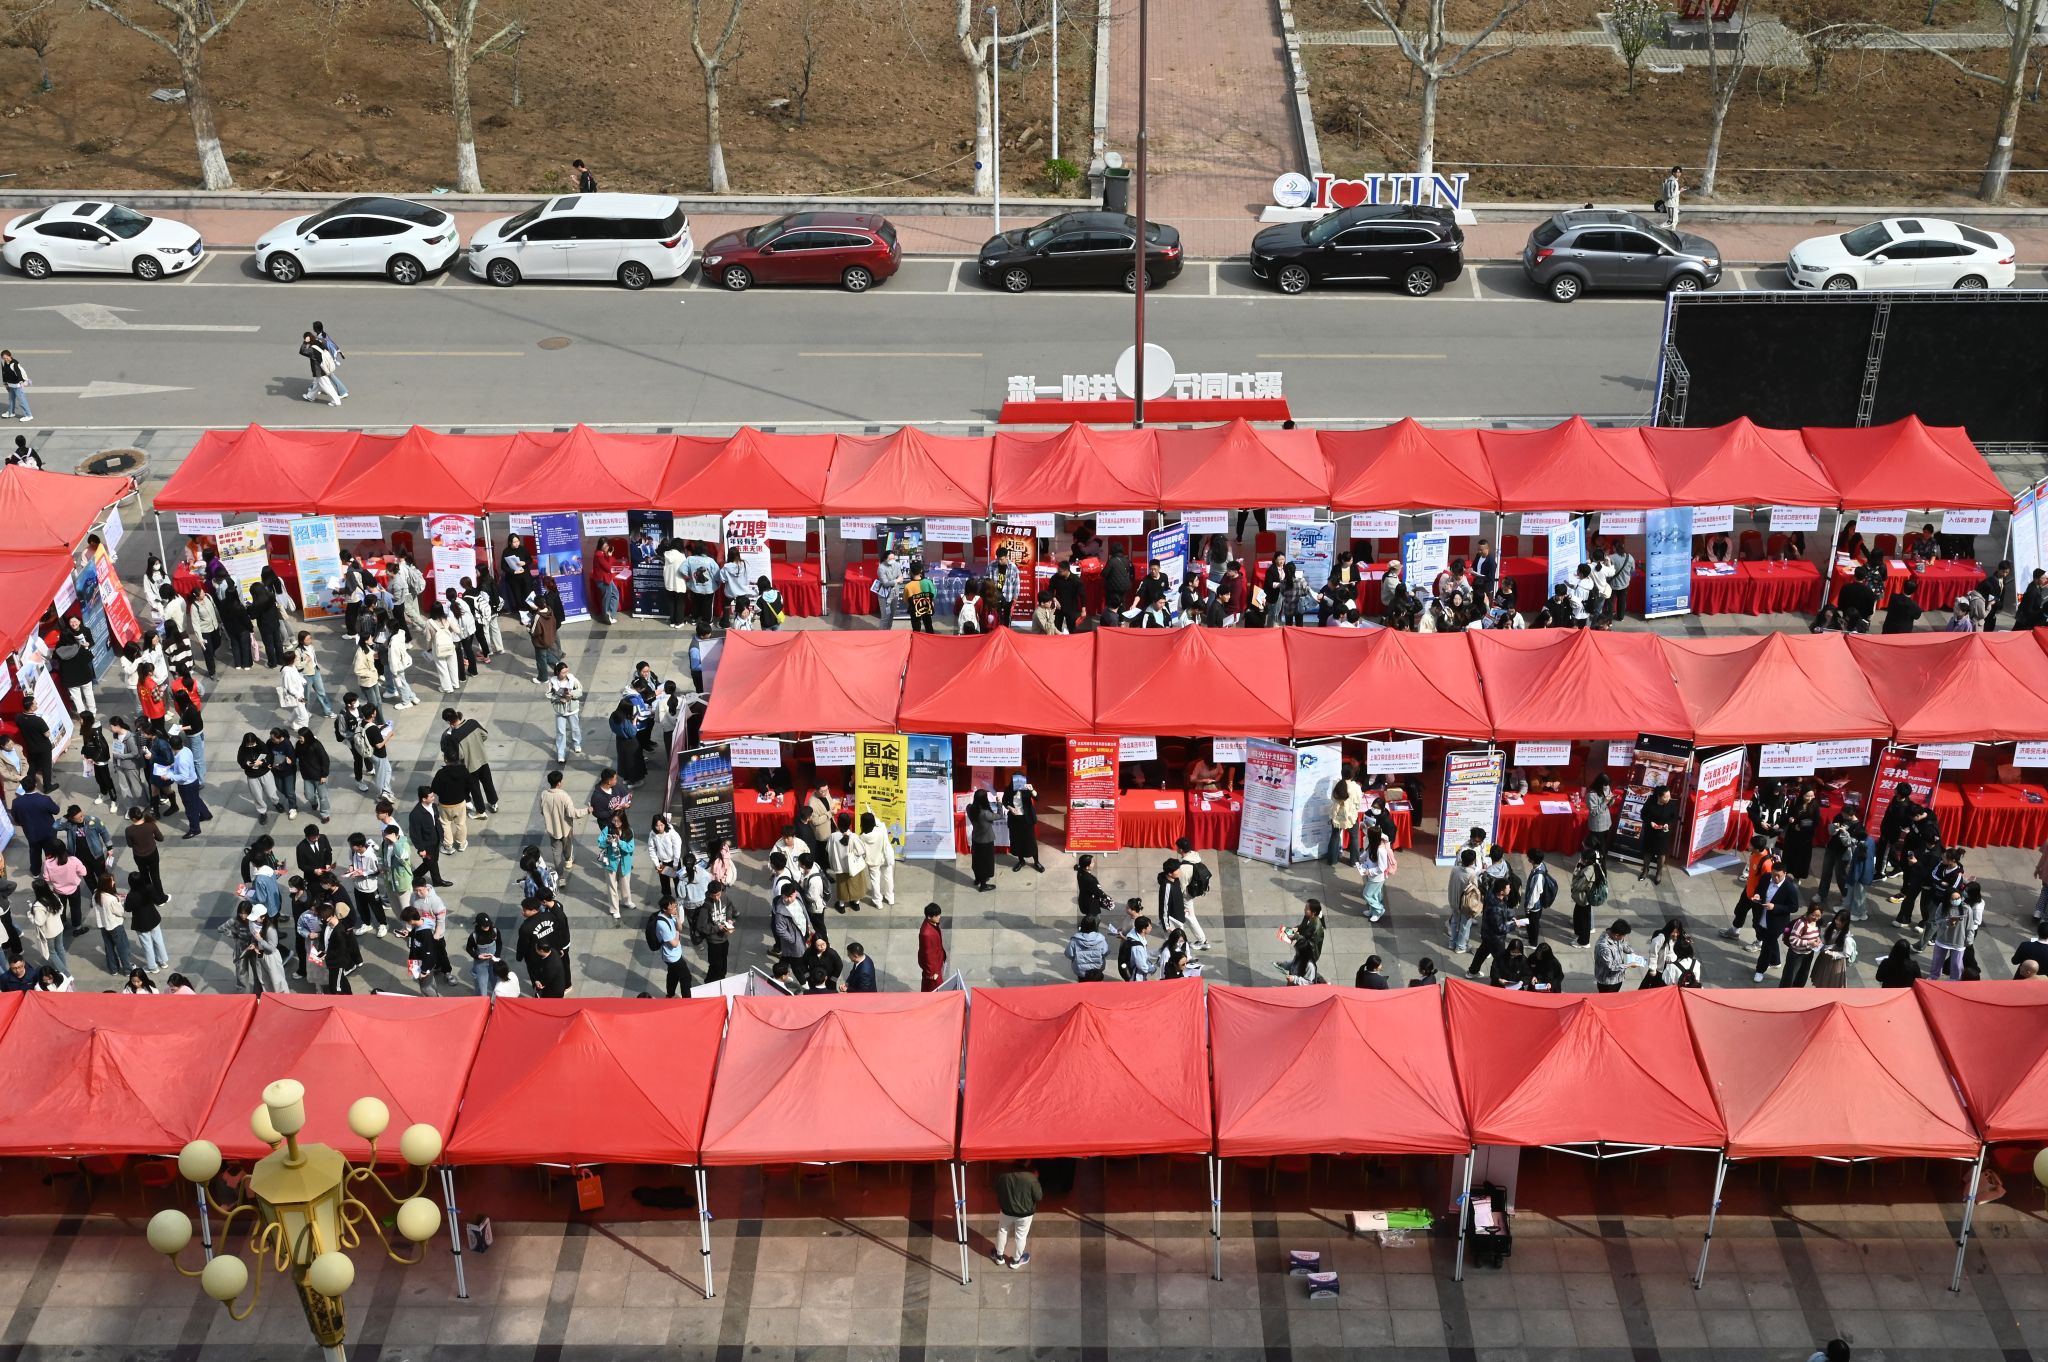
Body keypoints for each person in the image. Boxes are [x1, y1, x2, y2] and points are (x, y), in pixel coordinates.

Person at [1928, 882, 1982, 981]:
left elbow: (1970, 926)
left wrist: (1969, 941)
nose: (1957, 900)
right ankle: (1933, 976)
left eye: (1958, 898)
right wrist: (1947, 922)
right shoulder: (1942, 906)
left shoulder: (1966, 909)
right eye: (1954, 899)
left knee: (1956, 964)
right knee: (1937, 960)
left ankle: (1955, 980)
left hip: (1958, 941)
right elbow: (1937, 920)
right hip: (1943, 939)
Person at [599, 812, 637, 920]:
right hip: (611, 862)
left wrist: (619, 842)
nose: (615, 823)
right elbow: (600, 843)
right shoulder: (608, 829)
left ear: (623, 820)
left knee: (625, 884)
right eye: (614, 820)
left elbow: (630, 848)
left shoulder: (629, 831)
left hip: (625, 862)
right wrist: (607, 841)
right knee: (612, 886)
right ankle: (615, 909)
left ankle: (627, 901)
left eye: (618, 821)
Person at [1280, 898, 1325, 985]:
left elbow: (1310, 945)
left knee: (1305, 972)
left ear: (1313, 912)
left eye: (1307, 908)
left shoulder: (1316, 927)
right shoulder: (1307, 917)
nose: (1304, 910)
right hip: (1303, 951)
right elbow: (1302, 926)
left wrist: (1296, 936)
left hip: (1309, 953)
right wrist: (1297, 929)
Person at [1780, 903, 1825, 987]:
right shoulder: (1801, 923)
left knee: (1802, 976)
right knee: (1789, 978)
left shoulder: (1817, 922)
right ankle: (1784, 992)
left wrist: (1818, 938)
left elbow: (1815, 933)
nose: (1816, 918)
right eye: (1813, 915)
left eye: (1818, 916)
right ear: (1809, 912)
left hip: (1808, 954)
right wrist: (1809, 942)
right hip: (1796, 955)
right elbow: (1793, 940)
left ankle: (1798, 991)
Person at [1638, 785, 1675, 884]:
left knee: (1661, 854)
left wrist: (1668, 824)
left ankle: (1659, 873)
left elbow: (1673, 817)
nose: (1669, 798)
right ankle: (1645, 870)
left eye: (1669, 796)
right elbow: (1643, 814)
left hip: (1663, 833)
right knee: (1647, 852)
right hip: (1650, 832)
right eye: (1666, 797)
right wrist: (1650, 822)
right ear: (1659, 797)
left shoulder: (1671, 804)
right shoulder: (1650, 802)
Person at [1447, 848, 1481, 954]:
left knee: (1454, 922)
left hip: (1454, 900)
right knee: (1464, 926)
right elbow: (1475, 890)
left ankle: (1452, 942)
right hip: (1465, 904)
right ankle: (1461, 946)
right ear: (1473, 861)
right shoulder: (1472, 873)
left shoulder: (1455, 869)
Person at [1812, 909, 1856, 987]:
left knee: (1831, 983)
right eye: (1836, 919)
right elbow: (1825, 939)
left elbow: (1846, 954)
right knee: (1820, 980)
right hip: (1824, 957)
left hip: (1836, 962)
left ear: (1846, 922)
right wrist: (1820, 942)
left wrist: (1832, 953)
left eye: (1840, 921)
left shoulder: (1847, 937)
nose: (1837, 922)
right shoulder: (1830, 925)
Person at [967, 790, 998, 891]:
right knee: (986, 863)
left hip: (976, 839)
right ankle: (983, 885)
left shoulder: (969, 808)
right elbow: (999, 816)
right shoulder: (985, 813)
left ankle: (977, 879)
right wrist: (999, 803)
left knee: (977, 861)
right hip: (986, 842)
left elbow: (970, 806)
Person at [1593, 919, 1634, 992]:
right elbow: (1611, 967)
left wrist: (1631, 952)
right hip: (1608, 982)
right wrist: (1628, 965)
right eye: (1623, 936)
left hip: (1618, 977)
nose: (1623, 938)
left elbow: (1623, 944)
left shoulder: (1616, 936)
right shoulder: (1604, 947)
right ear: (1616, 935)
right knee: (1607, 998)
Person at [917, 902, 946, 990]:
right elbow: (928, 955)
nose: (939, 917)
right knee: (934, 988)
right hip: (933, 969)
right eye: (936, 915)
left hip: (937, 961)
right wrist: (932, 974)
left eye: (939, 914)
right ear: (929, 917)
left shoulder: (931, 923)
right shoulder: (927, 934)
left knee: (929, 987)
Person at [0, 349, 30, 422]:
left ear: (10, 356)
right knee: (11, 400)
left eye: (7, 357)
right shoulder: (5, 363)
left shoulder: (14, 363)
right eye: (4, 358)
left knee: (22, 401)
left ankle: (28, 415)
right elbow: (4, 373)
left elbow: (18, 373)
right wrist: (5, 383)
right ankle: (11, 413)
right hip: (11, 385)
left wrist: (21, 382)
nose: (5, 359)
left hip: (17, 386)